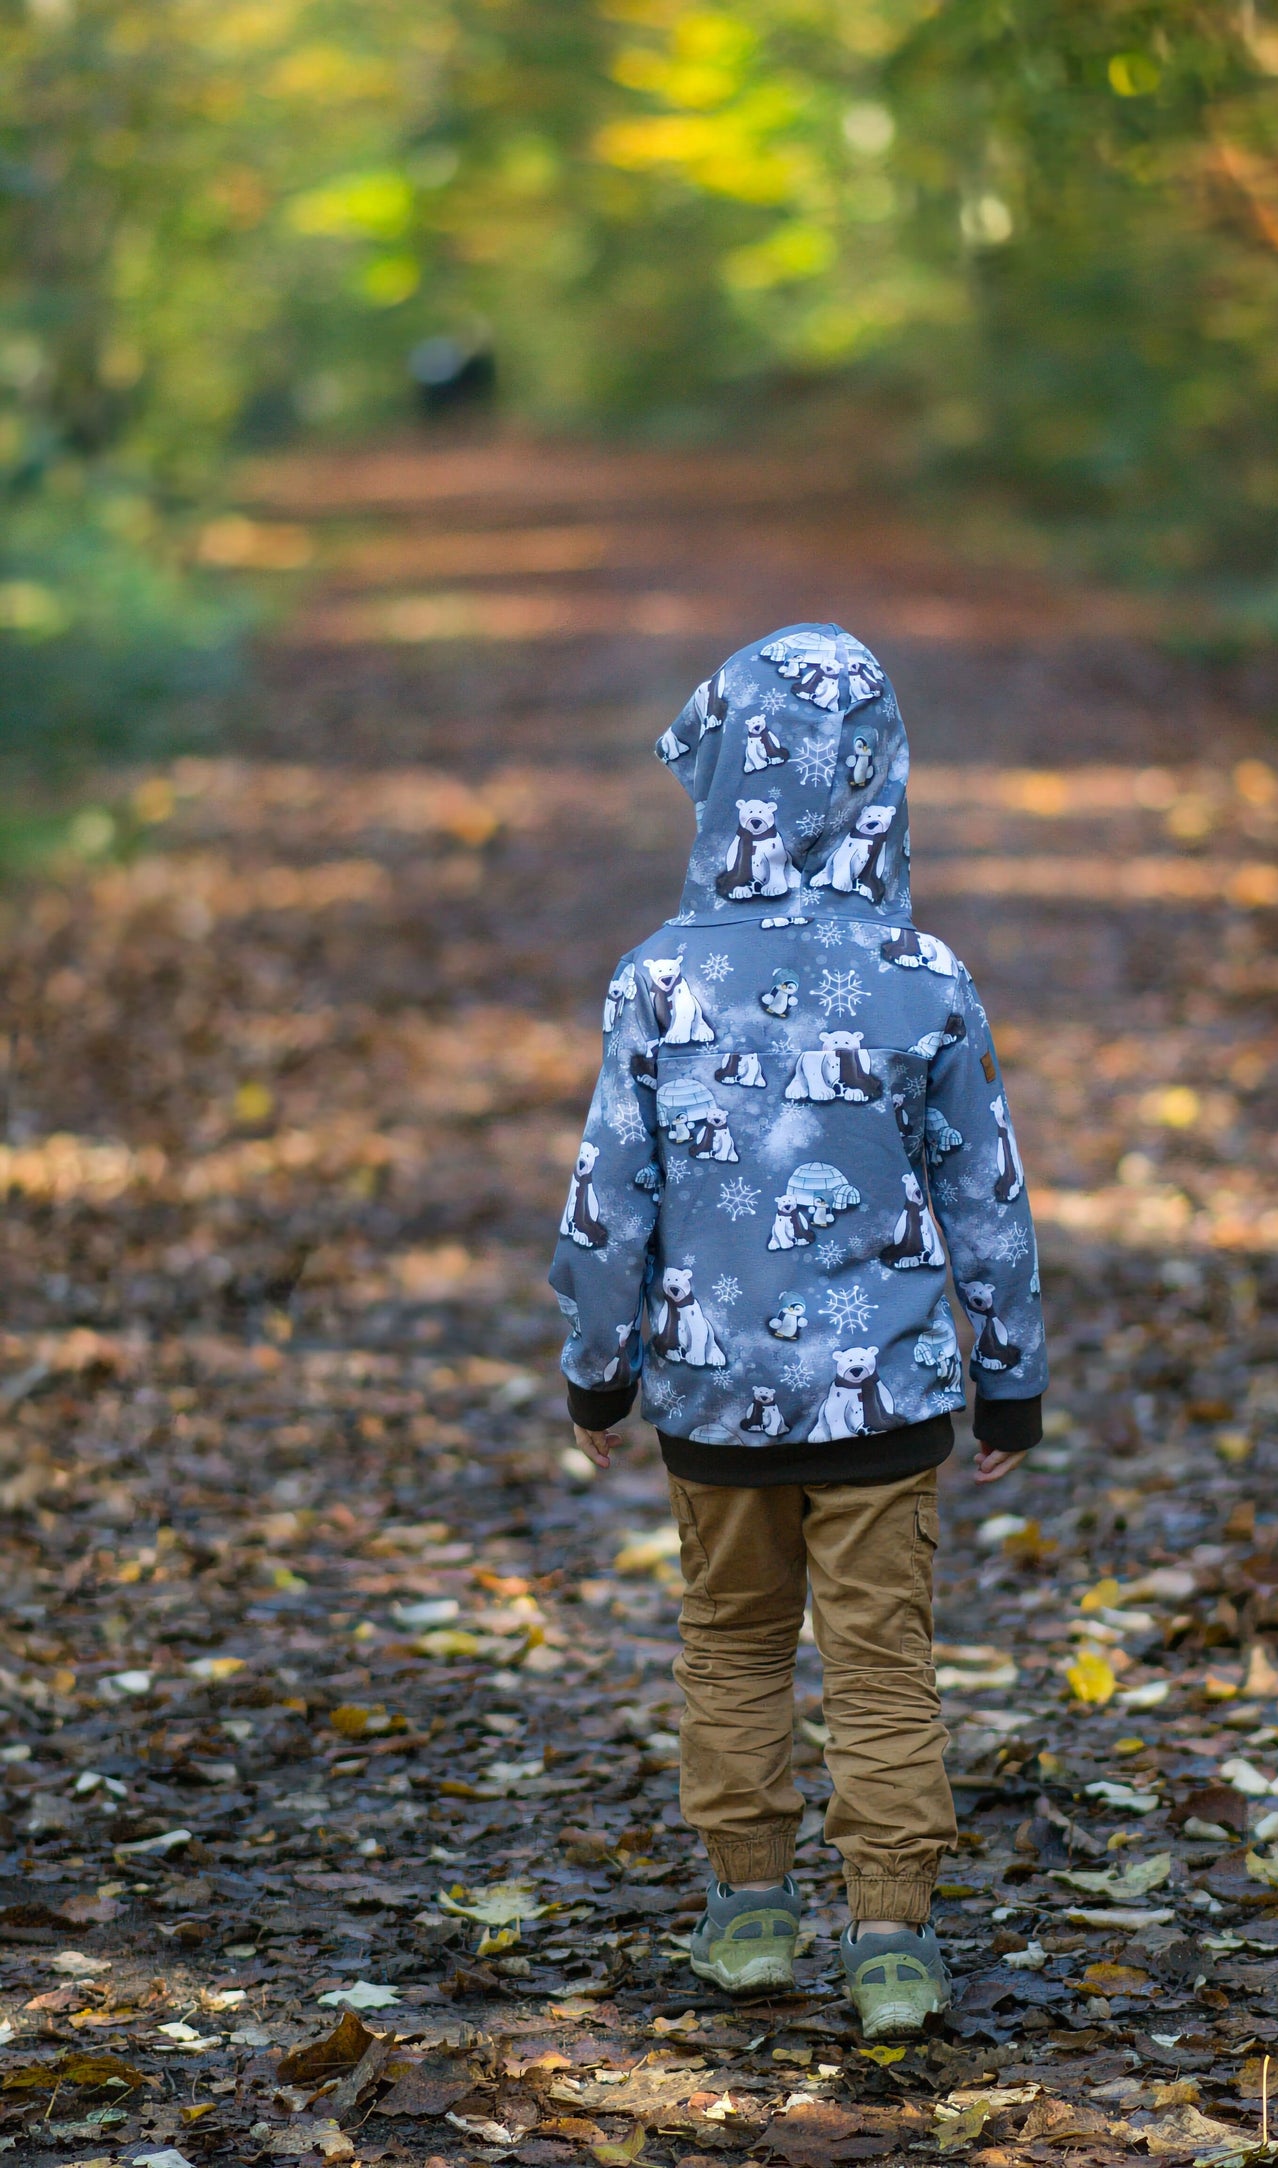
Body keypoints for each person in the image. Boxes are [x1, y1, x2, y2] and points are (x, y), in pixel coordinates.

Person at [549, 623, 1048, 2039]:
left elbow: (605, 1207)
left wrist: (600, 1376)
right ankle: (891, 1940)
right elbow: (987, 1195)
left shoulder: (654, 979)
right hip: (884, 1401)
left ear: (718, 778)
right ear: (883, 779)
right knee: (880, 1657)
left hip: (712, 1402)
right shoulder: (922, 974)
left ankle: (750, 1913)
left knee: (731, 1644)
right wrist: (1007, 1381)